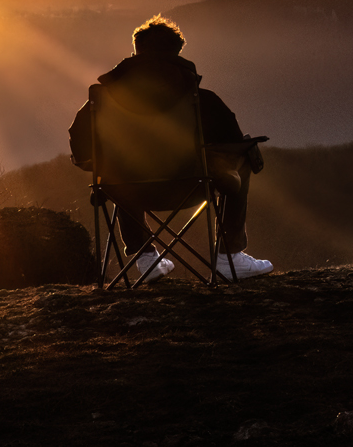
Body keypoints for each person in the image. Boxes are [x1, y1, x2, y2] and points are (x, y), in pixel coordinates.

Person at [68, 15, 273, 282]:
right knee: (243, 156)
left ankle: (146, 259)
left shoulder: (101, 101)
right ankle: (229, 257)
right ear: (176, 53)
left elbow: (80, 147)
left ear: (135, 52)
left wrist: (110, 165)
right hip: (190, 187)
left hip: (127, 192)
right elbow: (231, 141)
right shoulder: (201, 99)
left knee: (117, 169)